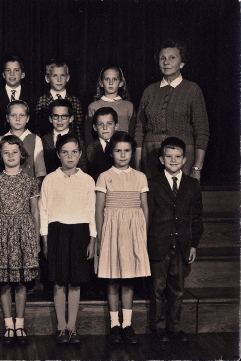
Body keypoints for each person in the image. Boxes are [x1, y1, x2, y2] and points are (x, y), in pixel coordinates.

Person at [39, 133, 96, 344]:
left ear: (80, 154)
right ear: (58, 155)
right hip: (57, 232)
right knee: (59, 282)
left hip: (80, 232)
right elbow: (43, 209)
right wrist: (44, 238)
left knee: (75, 282)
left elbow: (91, 211)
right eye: (65, 152)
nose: (70, 156)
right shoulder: (50, 179)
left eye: (74, 152)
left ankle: (72, 327)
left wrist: (92, 239)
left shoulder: (88, 180)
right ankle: (61, 328)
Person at [95, 131, 151, 345]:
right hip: (111, 232)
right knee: (112, 280)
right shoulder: (104, 176)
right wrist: (101, 237)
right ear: (111, 153)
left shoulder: (140, 177)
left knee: (128, 279)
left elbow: (145, 208)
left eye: (127, 151)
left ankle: (127, 324)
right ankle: (114, 325)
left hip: (132, 232)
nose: (123, 155)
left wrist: (142, 236)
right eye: (118, 151)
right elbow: (99, 209)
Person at [147, 137, 203, 343]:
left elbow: (197, 217)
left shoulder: (192, 184)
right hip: (158, 244)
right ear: (161, 159)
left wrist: (194, 244)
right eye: (168, 156)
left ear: (185, 159)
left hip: (182, 245)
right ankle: (158, 327)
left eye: (177, 156)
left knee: (177, 289)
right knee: (157, 288)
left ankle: (175, 327)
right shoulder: (152, 183)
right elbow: (148, 215)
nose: (173, 160)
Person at [0, 135, 40, 346]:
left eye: (14, 152)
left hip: (23, 232)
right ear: (1, 155)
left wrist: (34, 239)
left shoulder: (29, 181)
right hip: (1, 232)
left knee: (20, 282)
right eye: (6, 152)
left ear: (22, 154)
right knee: (4, 283)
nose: (10, 156)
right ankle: (8, 325)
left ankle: (20, 324)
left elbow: (35, 212)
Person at [134, 39, 210, 180]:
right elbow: (139, 131)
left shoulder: (192, 90)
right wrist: (138, 167)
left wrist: (197, 167)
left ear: (182, 63)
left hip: (183, 157)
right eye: (162, 58)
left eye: (172, 58)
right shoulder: (149, 91)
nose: (166, 62)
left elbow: (202, 131)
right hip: (150, 157)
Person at [0, 100, 46, 187]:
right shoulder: (0, 140)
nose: (17, 119)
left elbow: (40, 172)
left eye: (22, 115)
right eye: (13, 115)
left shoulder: (35, 139)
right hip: (6, 189)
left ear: (28, 118)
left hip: (29, 190)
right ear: (7, 118)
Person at [84, 66, 135, 146]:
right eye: (107, 79)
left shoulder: (128, 106)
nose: (111, 83)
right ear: (101, 83)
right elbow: (88, 136)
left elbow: (132, 133)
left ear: (121, 83)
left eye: (115, 79)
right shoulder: (93, 107)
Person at [0, 55, 33, 142]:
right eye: (8, 70)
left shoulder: (31, 97)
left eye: (16, 70)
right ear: (3, 75)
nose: (12, 74)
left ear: (22, 74)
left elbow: (33, 124)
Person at [34, 59, 84, 139]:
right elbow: (38, 128)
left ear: (67, 78)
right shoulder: (42, 101)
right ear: (47, 78)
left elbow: (78, 128)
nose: (59, 79)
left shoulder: (74, 101)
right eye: (55, 76)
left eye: (62, 75)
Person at [41, 99, 87, 175]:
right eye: (55, 116)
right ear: (50, 119)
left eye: (64, 116)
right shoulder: (43, 140)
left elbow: (83, 168)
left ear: (71, 118)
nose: (59, 120)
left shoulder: (78, 141)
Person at [86, 107, 119, 182]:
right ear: (95, 127)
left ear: (116, 126)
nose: (105, 127)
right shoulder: (90, 148)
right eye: (100, 124)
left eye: (109, 124)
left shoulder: (121, 145)